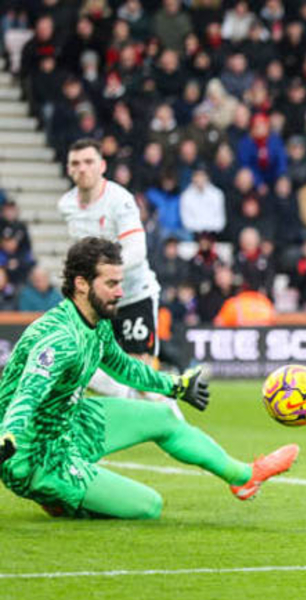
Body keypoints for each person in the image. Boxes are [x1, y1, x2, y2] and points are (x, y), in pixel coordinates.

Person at [0, 237, 298, 519]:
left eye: (121, 282)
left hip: (69, 422)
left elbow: (126, 368)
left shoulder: (96, 323)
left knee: (163, 416)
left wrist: (176, 385)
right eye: (112, 284)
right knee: (149, 507)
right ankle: (56, 495)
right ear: (81, 284)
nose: (120, 292)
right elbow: (28, 393)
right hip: (34, 455)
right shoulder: (61, 338)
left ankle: (243, 477)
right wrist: (8, 435)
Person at [57, 139, 189, 419]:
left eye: (89, 162)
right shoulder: (67, 204)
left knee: (141, 379)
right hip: (95, 303)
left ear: (102, 166)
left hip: (133, 296)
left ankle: (184, 433)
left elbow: (137, 251)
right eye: (76, 163)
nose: (82, 169)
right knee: (76, 367)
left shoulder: (120, 200)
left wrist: (103, 275)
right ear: (69, 169)